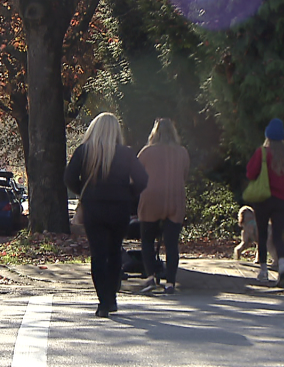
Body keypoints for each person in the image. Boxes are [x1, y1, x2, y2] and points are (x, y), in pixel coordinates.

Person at [64, 112, 148, 318]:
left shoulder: (85, 151)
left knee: (98, 254)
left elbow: (69, 177)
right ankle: (112, 297)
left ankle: (103, 301)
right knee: (114, 252)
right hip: (119, 208)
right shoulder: (126, 153)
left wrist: (84, 190)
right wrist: (128, 194)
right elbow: (142, 179)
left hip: (94, 208)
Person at [136, 118, 190, 295]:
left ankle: (150, 277)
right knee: (172, 243)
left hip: (151, 198)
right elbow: (185, 174)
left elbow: (135, 175)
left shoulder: (146, 152)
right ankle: (171, 282)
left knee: (147, 240)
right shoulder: (182, 152)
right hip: (175, 198)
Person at [245, 118, 284, 287]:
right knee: (277, 235)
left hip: (263, 199)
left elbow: (250, 173)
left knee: (262, 234)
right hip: (281, 202)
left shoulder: (262, 153)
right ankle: (282, 265)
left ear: (267, 135)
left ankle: (263, 271)